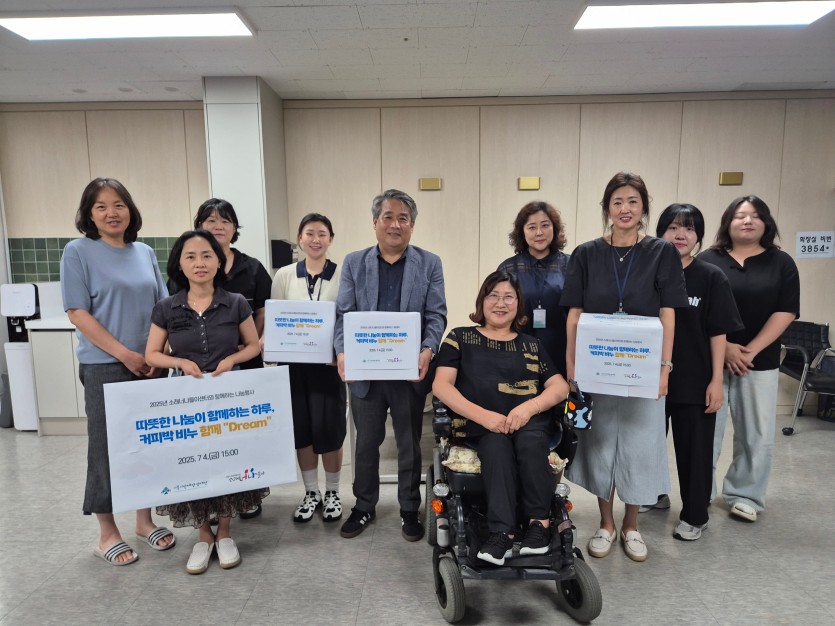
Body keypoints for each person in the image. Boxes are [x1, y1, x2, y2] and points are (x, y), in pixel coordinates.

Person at [560, 172, 687, 562]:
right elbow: (574, 313)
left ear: (643, 207)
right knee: (599, 443)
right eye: (617, 202)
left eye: (633, 201)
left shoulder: (662, 252)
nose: (625, 209)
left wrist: (664, 368)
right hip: (597, 367)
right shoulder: (586, 253)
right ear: (607, 208)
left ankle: (631, 525)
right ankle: (605, 523)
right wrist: (571, 365)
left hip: (642, 368)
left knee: (640, 444)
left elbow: (668, 313)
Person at [61, 177, 175, 566]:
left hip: (151, 365)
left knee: (148, 442)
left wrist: (160, 352)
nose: (112, 213)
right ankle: (107, 531)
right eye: (101, 206)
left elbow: (162, 307)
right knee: (106, 448)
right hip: (105, 365)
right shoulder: (77, 252)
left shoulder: (144, 252)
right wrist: (126, 354)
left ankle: (144, 520)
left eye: (119, 205)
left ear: (130, 210)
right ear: (89, 214)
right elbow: (77, 312)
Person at [145, 230, 267, 574]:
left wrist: (232, 360)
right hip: (187, 400)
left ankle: (225, 531)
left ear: (218, 261)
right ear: (180, 265)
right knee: (193, 464)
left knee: (229, 460)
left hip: (228, 397)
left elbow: (253, 346)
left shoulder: (236, 302)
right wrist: (179, 362)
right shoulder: (166, 307)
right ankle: (203, 535)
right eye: (191, 256)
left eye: (207, 255)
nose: (199, 263)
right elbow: (151, 353)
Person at [432, 270, 570, 565]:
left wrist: (528, 408)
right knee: (496, 447)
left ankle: (539, 526)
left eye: (509, 297)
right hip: (481, 425)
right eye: (493, 295)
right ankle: (501, 534)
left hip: (528, 423)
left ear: (518, 304)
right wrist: (484, 417)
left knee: (531, 443)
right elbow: (441, 385)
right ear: (482, 301)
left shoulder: (532, 344)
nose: (500, 303)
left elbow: (559, 387)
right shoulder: (460, 338)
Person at [334, 189, 447, 541]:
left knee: (409, 444)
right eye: (388, 217)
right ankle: (364, 505)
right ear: (375, 222)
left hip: (408, 372)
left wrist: (428, 349)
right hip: (366, 371)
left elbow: (436, 315)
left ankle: (409, 508)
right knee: (366, 443)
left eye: (403, 218)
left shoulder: (429, 263)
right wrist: (342, 352)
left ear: (412, 225)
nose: (395, 225)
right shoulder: (354, 262)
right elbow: (343, 315)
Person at [700, 195, 799, 523]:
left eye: (755, 215)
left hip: (760, 361)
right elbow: (696, 309)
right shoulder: (708, 260)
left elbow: (786, 311)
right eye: (740, 215)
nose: (747, 221)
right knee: (705, 431)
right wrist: (726, 347)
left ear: (766, 223)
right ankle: (700, 492)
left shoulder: (781, 263)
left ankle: (745, 495)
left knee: (756, 433)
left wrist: (750, 350)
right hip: (710, 359)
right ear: (727, 222)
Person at [655, 203, 743, 540]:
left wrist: (716, 381)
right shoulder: (649, 272)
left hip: (694, 381)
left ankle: (695, 515)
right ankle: (652, 496)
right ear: (660, 233)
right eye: (673, 227)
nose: (681, 234)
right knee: (648, 445)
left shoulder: (710, 277)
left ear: (699, 237)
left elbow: (718, 333)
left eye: (689, 228)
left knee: (695, 453)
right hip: (651, 380)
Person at [190, 198, 271, 519]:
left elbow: (263, 311)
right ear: (199, 226)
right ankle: (211, 498)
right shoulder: (188, 266)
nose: (218, 226)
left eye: (225, 221)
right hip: (203, 368)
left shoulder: (252, 268)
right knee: (208, 434)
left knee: (244, 430)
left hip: (246, 362)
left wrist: (251, 342)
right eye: (210, 220)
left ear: (235, 227)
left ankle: (247, 494)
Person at [272, 213, 346, 523]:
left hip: (328, 367)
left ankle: (333, 492)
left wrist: (340, 353)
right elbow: (275, 319)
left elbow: (346, 318)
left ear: (331, 239)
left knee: (330, 431)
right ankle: (311, 492)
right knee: (302, 431)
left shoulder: (343, 274)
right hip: (294, 368)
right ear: (300, 238)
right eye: (309, 233)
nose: (316, 239)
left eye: (322, 234)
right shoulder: (285, 275)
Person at [497, 201, 570, 374]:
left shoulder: (570, 265)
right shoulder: (508, 268)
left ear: (554, 228)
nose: (539, 232)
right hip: (517, 351)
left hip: (561, 350)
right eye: (531, 227)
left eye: (545, 225)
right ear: (522, 231)